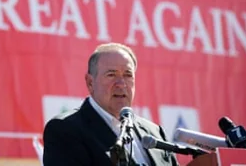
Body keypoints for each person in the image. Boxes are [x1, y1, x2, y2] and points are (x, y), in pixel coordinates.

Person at [43, 43, 179, 166]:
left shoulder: (154, 132)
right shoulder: (65, 129)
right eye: (111, 75)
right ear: (90, 83)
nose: (121, 84)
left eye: (127, 75)